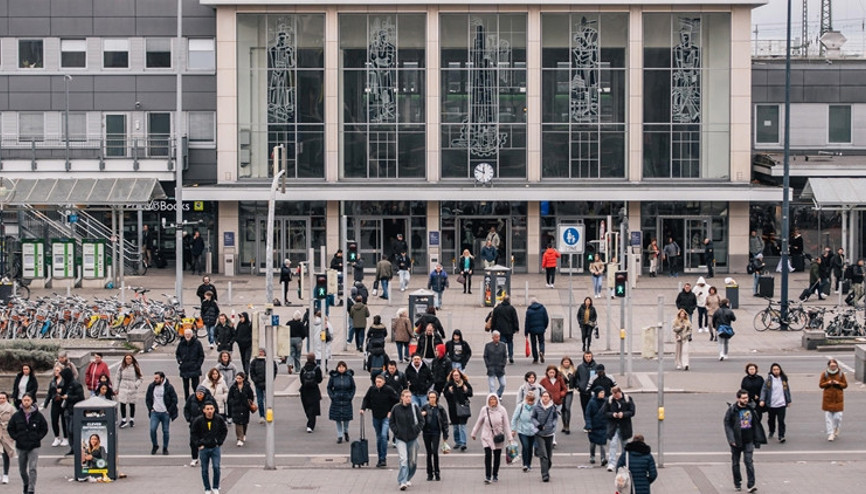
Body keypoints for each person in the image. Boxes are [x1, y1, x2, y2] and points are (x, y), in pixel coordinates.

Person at [724, 389, 765, 493]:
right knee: (735, 463)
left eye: (746, 398)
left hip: (748, 440)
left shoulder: (751, 408)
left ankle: (751, 485)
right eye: (743, 398)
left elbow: (756, 423)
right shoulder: (733, 410)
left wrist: (757, 438)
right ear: (738, 398)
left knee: (749, 462)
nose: (745, 400)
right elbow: (727, 424)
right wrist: (731, 439)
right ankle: (737, 483)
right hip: (736, 441)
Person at [7, 393, 47, 494]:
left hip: (34, 445)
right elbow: (10, 428)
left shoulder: (38, 415)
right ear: (22, 401)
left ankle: (31, 489)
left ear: (32, 401)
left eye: (28, 400)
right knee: (22, 469)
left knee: (32, 468)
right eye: (24, 400)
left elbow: (44, 428)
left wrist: (38, 437)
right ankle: (26, 483)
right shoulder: (17, 415)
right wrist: (17, 437)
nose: (26, 402)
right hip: (21, 445)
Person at [471, 393, 512, 484]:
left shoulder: (502, 410)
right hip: (487, 436)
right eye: (491, 400)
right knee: (488, 455)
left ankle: (495, 474)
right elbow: (479, 422)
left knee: (497, 456)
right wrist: (474, 433)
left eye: (494, 400)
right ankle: (488, 476)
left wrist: (510, 437)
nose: (492, 401)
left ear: (497, 401)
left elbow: (506, 424)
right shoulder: (484, 410)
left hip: (498, 436)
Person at [361, 374, 399, 468]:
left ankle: (383, 458)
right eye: (376, 382)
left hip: (386, 416)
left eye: (380, 382)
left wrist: (391, 411)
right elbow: (366, 399)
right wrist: (363, 408)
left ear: (384, 382)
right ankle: (380, 458)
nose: (378, 384)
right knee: (378, 437)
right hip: (376, 416)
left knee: (383, 435)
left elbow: (396, 400)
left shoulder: (388, 390)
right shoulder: (372, 389)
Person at [389, 389, 424, 491]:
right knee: (403, 459)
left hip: (412, 438)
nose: (409, 399)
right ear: (402, 397)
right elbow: (392, 422)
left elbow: (421, 420)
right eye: (407, 397)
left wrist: (416, 430)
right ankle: (402, 481)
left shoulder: (414, 407)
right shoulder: (396, 408)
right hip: (400, 438)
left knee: (412, 461)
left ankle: (408, 477)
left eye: (410, 397)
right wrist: (396, 432)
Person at [190, 402, 228, 494]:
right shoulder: (199, 420)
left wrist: (219, 442)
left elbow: (224, 430)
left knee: (216, 467)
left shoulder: (218, 419)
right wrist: (199, 444)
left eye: (211, 409)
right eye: (207, 409)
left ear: (214, 409)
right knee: (204, 469)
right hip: (204, 448)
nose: (209, 411)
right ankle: (207, 488)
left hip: (215, 447)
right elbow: (193, 433)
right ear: (204, 410)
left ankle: (215, 486)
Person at [601, 386, 635, 472]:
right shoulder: (609, 400)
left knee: (625, 445)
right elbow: (604, 412)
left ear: (620, 392)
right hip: (614, 426)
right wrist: (613, 415)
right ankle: (612, 463)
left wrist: (623, 414)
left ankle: (625, 463)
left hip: (624, 426)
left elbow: (632, 411)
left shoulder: (627, 399)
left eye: (617, 395)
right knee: (613, 444)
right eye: (613, 395)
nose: (615, 397)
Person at [145, 371, 177, 455]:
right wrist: (150, 409)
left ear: (162, 378)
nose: (155, 380)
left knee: (165, 431)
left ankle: (165, 447)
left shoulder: (169, 387)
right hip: (155, 412)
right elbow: (148, 399)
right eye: (154, 378)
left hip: (165, 413)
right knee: (152, 429)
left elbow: (174, 399)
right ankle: (155, 445)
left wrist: (169, 411)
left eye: (157, 378)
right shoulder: (152, 386)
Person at [184, 386, 217, 467]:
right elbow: (186, 409)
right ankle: (194, 458)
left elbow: (215, 410)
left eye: (201, 393)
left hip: (206, 424)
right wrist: (189, 419)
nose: (199, 395)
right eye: (198, 393)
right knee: (193, 442)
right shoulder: (191, 399)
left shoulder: (209, 400)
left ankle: (206, 458)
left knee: (207, 441)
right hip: (194, 423)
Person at [420, 390, 449, 481]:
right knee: (429, 453)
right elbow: (418, 419)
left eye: (433, 397)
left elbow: (445, 422)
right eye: (430, 397)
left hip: (436, 432)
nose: (432, 399)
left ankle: (437, 471)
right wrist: (422, 415)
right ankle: (429, 473)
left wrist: (445, 434)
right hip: (426, 432)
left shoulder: (440, 409)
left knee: (435, 452)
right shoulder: (424, 407)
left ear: (436, 398)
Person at [760, 363, 791, 443]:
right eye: (774, 370)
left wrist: (788, 400)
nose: (776, 371)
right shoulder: (769, 380)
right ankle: (771, 430)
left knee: (781, 421)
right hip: (772, 404)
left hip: (781, 404)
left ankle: (781, 435)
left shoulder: (783, 379)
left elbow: (787, 390)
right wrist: (762, 400)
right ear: (771, 371)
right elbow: (764, 390)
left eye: (777, 369)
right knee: (771, 419)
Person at [532, 390, 559, 482]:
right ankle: (544, 475)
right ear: (541, 397)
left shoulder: (553, 407)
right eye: (543, 396)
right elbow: (532, 417)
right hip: (539, 434)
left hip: (550, 434)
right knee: (543, 455)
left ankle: (547, 469)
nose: (545, 398)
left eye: (547, 396)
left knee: (549, 456)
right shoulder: (536, 407)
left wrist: (553, 424)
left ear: (550, 398)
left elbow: (555, 417)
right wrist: (538, 425)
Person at [443, 369, 473, 452]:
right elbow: (445, 395)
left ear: (460, 376)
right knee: (456, 426)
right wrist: (449, 391)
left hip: (463, 407)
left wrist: (466, 390)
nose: (456, 377)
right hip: (453, 408)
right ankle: (458, 441)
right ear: (452, 376)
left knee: (462, 425)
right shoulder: (449, 384)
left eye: (457, 375)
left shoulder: (464, 383)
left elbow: (470, 393)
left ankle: (463, 443)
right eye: (454, 375)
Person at [820, 358, 848, 441]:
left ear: (837, 366)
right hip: (828, 399)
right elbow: (821, 385)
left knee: (838, 417)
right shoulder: (824, 374)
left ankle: (836, 428)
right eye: (831, 366)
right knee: (828, 418)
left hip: (838, 399)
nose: (833, 367)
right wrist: (827, 383)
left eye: (834, 366)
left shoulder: (841, 374)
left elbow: (845, 385)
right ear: (828, 366)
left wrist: (838, 383)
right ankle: (830, 433)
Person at [327, 361, 355, 444]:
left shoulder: (349, 376)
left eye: (343, 367)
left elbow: (353, 387)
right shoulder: (333, 377)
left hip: (346, 399)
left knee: (346, 418)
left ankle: (346, 431)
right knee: (338, 419)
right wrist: (332, 396)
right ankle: (340, 435)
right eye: (340, 367)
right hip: (337, 400)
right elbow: (329, 387)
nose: (341, 369)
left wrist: (350, 396)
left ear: (345, 368)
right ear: (337, 368)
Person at [58, 368, 84, 456]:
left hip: (73, 410)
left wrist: (68, 397)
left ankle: (77, 447)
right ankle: (72, 448)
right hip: (67, 409)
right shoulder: (66, 384)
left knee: (72, 430)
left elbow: (80, 397)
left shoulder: (75, 384)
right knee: (68, 431)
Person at [249, 348, 277, 425]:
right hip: (258, 384)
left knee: (268, 400)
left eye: (262, 352)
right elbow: (251, 372)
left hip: (267, 383)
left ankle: (268, 414)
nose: (260, 353)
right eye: (259, 352)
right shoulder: (254, 362)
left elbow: (274, 370)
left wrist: (271, 379)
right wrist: (255, 380)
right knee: (260, 400)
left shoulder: (270, 361)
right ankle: (261, 415)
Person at [176, 329, 205, 401]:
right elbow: (177, 354)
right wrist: (179, 361)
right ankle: (187, 401)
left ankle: (197, 400)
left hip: (194, 368)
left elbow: (201, 355)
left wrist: (198, 365)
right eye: (186, 334)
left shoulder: (197, 343)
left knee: (195, 386)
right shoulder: (181, 343)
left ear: (192, 335)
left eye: (189, 334)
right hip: (184, 368)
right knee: (186, 387)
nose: (187, 335)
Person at [511, 390, 536, 472]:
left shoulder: (536, 407)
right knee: (525, 446)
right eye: (529, 400)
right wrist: (513, 429)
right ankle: (525, 464)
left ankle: (529, 464)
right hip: (522, 430)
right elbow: (514, 418)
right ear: (526, 399)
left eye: (532, 400)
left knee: (530, 448)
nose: (530, 402)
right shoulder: (520, 406)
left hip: (533, 431)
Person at [226, 372, 254, 446]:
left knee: (244, 422)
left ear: (243, 379)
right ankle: (239, 438)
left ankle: (243, 434)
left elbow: (251, 396)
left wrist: (249, 403)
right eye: (237, 378)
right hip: (236, 407)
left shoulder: (247, 387)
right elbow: (229, 398)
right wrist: (234, 402)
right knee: (238, 423)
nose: (238, 380)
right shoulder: (233, 387)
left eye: (240, 378)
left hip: (245, 407)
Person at [297, 354, 323, 434]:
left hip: (304, 390)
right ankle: (310, 425)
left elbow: (301, 379)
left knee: (307, 406)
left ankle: (309, 420)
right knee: (313, 408)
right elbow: (319, 379)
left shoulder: (303, 369)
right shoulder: (317, 368)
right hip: (314, 390)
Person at [44, 365, 68, 447]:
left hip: (63, 402)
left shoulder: (65, 381)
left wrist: (62, 391)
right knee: (54, 420)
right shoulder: (53, 381)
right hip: (55, 402)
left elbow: (68, 390)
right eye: (55, 370)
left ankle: (65, 437)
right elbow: (49, 393)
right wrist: (46, 403)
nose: (56, 372)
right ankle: (56, 437)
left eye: (58, 370)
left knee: (64, 421)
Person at [116, 353, 142, 428]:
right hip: (123, 387)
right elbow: (117, 378)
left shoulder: (136, 367)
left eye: (129, 358)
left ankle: (131, 419)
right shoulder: (121, 367)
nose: (128, 360)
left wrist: (136, 384)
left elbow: (140, 378)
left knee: (132, 404)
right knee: (122, 404)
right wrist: (116, 388)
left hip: (132, 387)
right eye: (127, 358)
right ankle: (123, 420)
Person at [491, 295, 519, 364]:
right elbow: (515, 319)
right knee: (510, 342)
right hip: (509, 329)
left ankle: (503, 356)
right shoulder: (511, 308)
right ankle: (511, 356)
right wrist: (516, 328)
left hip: (500, 329)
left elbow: (494, 319)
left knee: (502, 343)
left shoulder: (497, 308)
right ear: (509, 300)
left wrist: (493, 328)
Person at [584, 386, 608, 466]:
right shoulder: (592, 402)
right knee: (593, 442)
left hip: (603, 425)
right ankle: (592, 456)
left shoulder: (606, 401)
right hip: (594, 426)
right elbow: (588, 415)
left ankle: (603, 458)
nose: (603, 394)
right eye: (601, 392)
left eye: (603, 392)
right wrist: (589, 425)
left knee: (602, 443)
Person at [525, 298, 549, 364]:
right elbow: (546, 319)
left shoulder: (529, 310)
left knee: (533, 344)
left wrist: (526, 332)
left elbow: (527, 322)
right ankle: (541, 351)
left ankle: (535, 358)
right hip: (541, 328)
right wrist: (544, 327)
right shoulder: (542, 308)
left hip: (532, 330)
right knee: (541, 342)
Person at [483, 331, 508, 398]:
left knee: (503, 384)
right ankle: (493, 397)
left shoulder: (503, 345)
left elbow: (505, 356)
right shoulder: (488, 346)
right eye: (496, 337)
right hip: (491, 367)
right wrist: (488, 365)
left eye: (498, 337)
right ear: (493, 338)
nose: (497, 338)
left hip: (500, 368)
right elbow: (485, 356)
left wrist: (503, 364)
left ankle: (499, 393)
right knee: (492, 385)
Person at [558, 356, 577, 435]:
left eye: (568, 362)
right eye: (565, 362)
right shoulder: (559, 371)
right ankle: (564, 425)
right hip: (562, 391)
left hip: (570, 390)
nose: (566, 363)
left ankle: (567, 426)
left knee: (568, 408)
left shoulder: (574, 370)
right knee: (563, 409)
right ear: (562, 363)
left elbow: (577, 380)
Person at [0, 392, 16, 485]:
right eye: (0, 398)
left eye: (3, 398)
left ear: (6, 399)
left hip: (6, 433)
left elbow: (15, 421)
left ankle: (5, 474)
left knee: (6, 454)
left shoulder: (10, 408)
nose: (1, 400)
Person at [234, 312, 253, 376]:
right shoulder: (239, 324)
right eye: (240, 317)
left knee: (247, 359)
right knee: (243, 359)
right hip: (241, 345)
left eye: (242, 317)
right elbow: (236, 332)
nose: (241, 319)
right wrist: (237, 340)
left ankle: (247, 373)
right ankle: (245, 370)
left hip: (248, 345)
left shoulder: (249, 324)